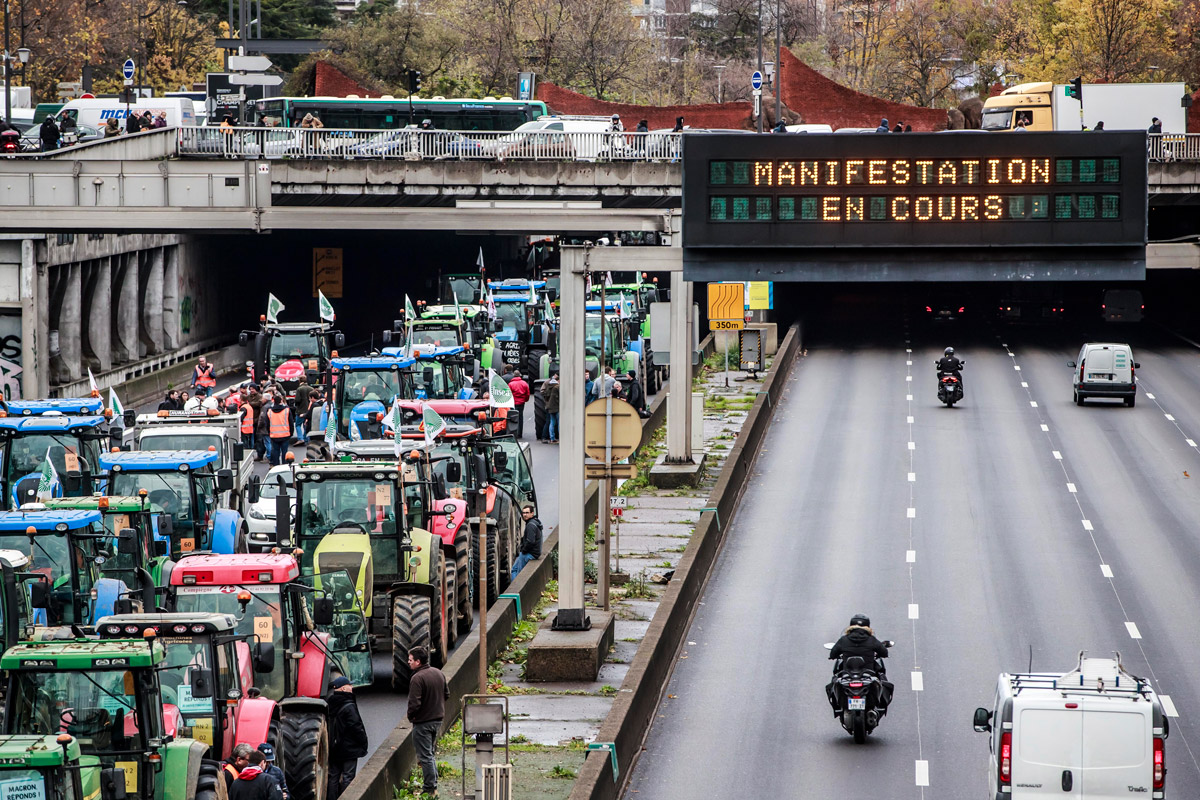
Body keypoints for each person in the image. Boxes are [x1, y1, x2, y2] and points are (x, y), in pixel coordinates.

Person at [407, 646, 448, 799]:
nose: (408, 662)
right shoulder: (438, 673)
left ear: (418, 661)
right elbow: (446, 694)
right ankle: (433, 783)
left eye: (410, 660)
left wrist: (411, 717)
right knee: (430, 753)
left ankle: (430, 788)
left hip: (423, 722)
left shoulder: (417, 678)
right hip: (437, 720)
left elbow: (414, 704)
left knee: (425, 756)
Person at [327, 676, 368, 799]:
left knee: (333, 776)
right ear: (344, 688)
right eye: (350, 685)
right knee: (348, 777)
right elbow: (356, 726)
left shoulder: (330, 704)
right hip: (349, 749)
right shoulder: (349, 706)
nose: (352, 687)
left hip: (334, 748)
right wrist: (363, 742)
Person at [511, 504, 543, 580]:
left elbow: (530, 541)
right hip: (534, 553)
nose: (525, 515)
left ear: (532, 513)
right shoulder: (535, 522)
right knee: (514, 569)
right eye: (523, 513)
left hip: (529, 554)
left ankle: (516, 586)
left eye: (527, 513)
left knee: (517, 573)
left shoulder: (530, 525)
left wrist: (523, 551)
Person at [266, 395, 292, 467]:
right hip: (285, 434)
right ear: (281, 401)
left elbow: (267, 424)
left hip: (274, 435)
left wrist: (269, 432)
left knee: (275, 451)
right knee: (284, 452)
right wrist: (291, 433)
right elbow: (291, 423)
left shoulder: (270, 411)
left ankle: (276, 466)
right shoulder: (286, 410)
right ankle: (285, 466)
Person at [509, 370, 530, 438]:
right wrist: (525, 400)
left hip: (513, 403)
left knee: (513, 418)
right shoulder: (524, 383)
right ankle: (520, 433)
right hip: (521, 402)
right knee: (520, 417)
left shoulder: (511, 384)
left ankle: (514, 433)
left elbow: (509, 394)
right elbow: (527, 393)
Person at [294, 375, 312, 444]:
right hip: (308, 410)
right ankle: (306, 439)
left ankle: (300, 438)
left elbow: (297, 400)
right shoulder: (311, 388)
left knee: (298, 425)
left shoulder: (299, 389)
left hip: (300, 410)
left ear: (299, 381)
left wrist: (296, 404)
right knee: (305, 425)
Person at [543, 372, 560, 443]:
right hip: (557, 407)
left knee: (552, 422)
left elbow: (544, 394)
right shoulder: (557, 387)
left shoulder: (549, 386)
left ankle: (552, 438)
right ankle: (560, 437)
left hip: (550, 406)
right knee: (559, 423)